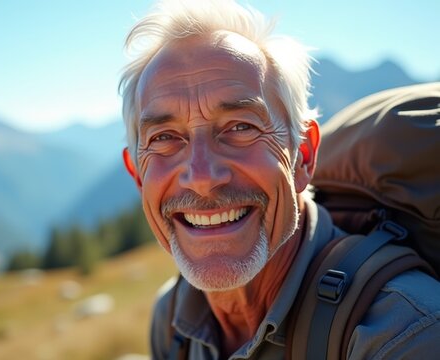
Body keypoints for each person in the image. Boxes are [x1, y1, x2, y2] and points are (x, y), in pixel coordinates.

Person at [118, 0, 440, 359]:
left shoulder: (405, 338)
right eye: (164, 137)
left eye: (241, 127)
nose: (202, 178)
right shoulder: (171, 318)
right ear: (138, 175)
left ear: (302, 155)